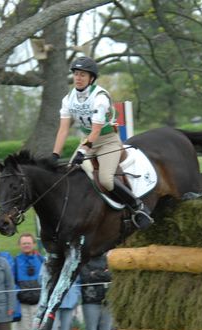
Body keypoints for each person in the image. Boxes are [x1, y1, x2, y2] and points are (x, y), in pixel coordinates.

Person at [51, 56, 153, 230]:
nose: (78, 78)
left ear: (91, 78)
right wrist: (55, 155)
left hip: (108, 141)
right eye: (76, 74)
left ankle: (138, 207)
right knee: (70, 175)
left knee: (106, 179)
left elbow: (96, 130)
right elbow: (63, 130)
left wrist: (83, 151)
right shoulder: (68, 99)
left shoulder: (100, 97)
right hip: (87, 141)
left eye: (82, 74)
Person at [11, 233, 44, 330]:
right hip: (22, 304)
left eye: (29, 243)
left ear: (34, 244)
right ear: (20, 245)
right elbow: (12, 281)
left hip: (38, 303)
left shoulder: (41, 259)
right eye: (24, 243)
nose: (26, 245)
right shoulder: (15, 261)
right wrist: (18, 293)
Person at [79, 253, 114, 330]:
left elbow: (112, 275)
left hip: (107, 298)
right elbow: (85, 277)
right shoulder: (84, 260)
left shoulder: (108, 259)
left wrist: (95, 274)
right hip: (90, 299)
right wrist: (103, 274)